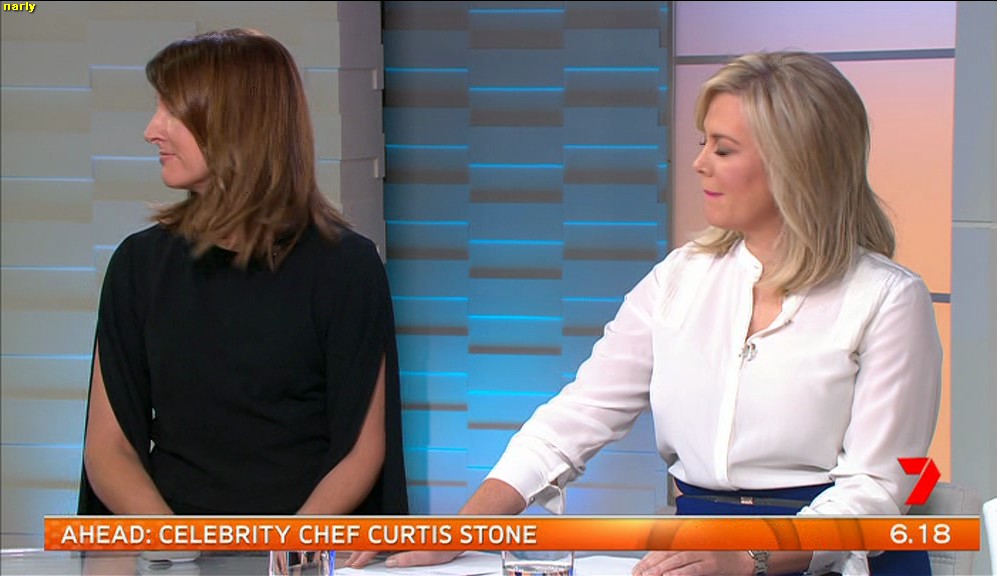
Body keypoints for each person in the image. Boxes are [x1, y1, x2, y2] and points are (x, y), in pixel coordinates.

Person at [348, 51, 941, 575]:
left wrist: (749, 558)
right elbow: (576, 417)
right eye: (702, 142)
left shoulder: (887, 299)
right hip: (699, 555)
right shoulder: (681, 278)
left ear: (796, 164)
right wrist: (462, 528)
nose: (699, 163)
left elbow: (875, 489)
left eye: (723, 148)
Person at [78, 28, 408, 518]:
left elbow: (361, 452)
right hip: (173, 543)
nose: (151, 130)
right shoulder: (138, 265)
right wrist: (176, 546)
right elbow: (109, 450)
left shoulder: (346, 268)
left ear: (235, 124)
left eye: (172, 111)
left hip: (305, 540)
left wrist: (288, 551)